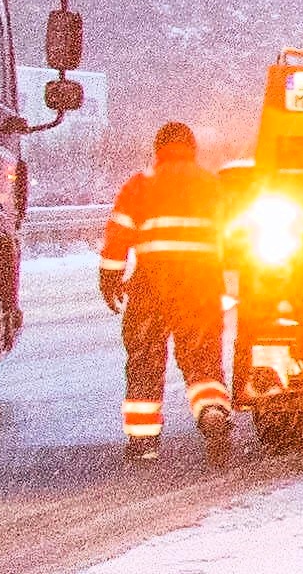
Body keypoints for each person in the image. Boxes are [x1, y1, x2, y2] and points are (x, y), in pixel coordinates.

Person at [98, 120, 240, 464]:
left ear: (157, 149)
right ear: (193, 149)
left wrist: (110, 278)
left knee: (145, 359)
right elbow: (236, 241)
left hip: (151, 285)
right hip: (201, 285)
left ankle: (143, 441)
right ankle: (211, 411)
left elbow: (118, 237)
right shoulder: (212, 185)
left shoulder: (141, 185)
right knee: (203, 357)